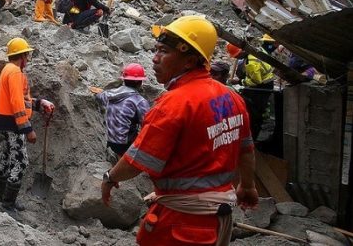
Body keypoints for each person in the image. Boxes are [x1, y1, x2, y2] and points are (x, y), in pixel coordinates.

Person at [101, 15, 257, 246]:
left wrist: (110, 178)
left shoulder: (173, 104)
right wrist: (248, 185)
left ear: (189, 61)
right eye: (156, 50)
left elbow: (137, 160)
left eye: (163, 51)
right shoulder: (232, 97)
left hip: (182, 224)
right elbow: (246, 149)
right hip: (217, 219)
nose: (154, 59)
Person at [0, 38, 54, 211]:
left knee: (5, 159)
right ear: (21, 56)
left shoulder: (8, 70)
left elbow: (20, 100)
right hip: (14, 124)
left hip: (4, 121)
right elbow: (16, 102)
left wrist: (39, 103)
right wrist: (27, 128)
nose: (28, 59)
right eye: (27, 55)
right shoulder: (15, 72)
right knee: (20, 162)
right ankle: (7, 203)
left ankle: (3, 200)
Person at [90, 63, 150, 158]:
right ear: (140, 82)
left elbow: (99, 96)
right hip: (125, 145)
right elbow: (148, 124)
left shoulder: (109, 94)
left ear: (124, 80)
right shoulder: (139, 101)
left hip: (109, 141)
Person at [231, 34, 275, 141]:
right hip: (266, 81)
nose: (236, 58)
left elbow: (256, 81)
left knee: (255, 110)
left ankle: (254, 134)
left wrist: (241, 82)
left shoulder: (251, 61)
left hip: (262, 86)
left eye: (236, 56)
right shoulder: (254, 51)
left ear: (241, 52)